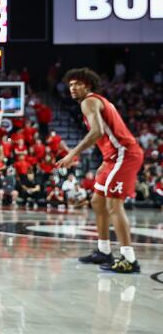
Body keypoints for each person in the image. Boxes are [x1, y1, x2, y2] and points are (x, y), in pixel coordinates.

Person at [57, 68, 143, 274]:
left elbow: (97, 132)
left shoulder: (89, 101)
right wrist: (105, 159)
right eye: (70, 84)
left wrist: (72, 154)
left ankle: (129, 259)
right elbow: (105, 135)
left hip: (124, 154)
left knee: (114, 205)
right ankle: (104, 250)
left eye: (77, 83)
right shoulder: (95, 101)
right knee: (97, 201)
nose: (73, 88)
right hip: (112, 157)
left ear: (88, 85)